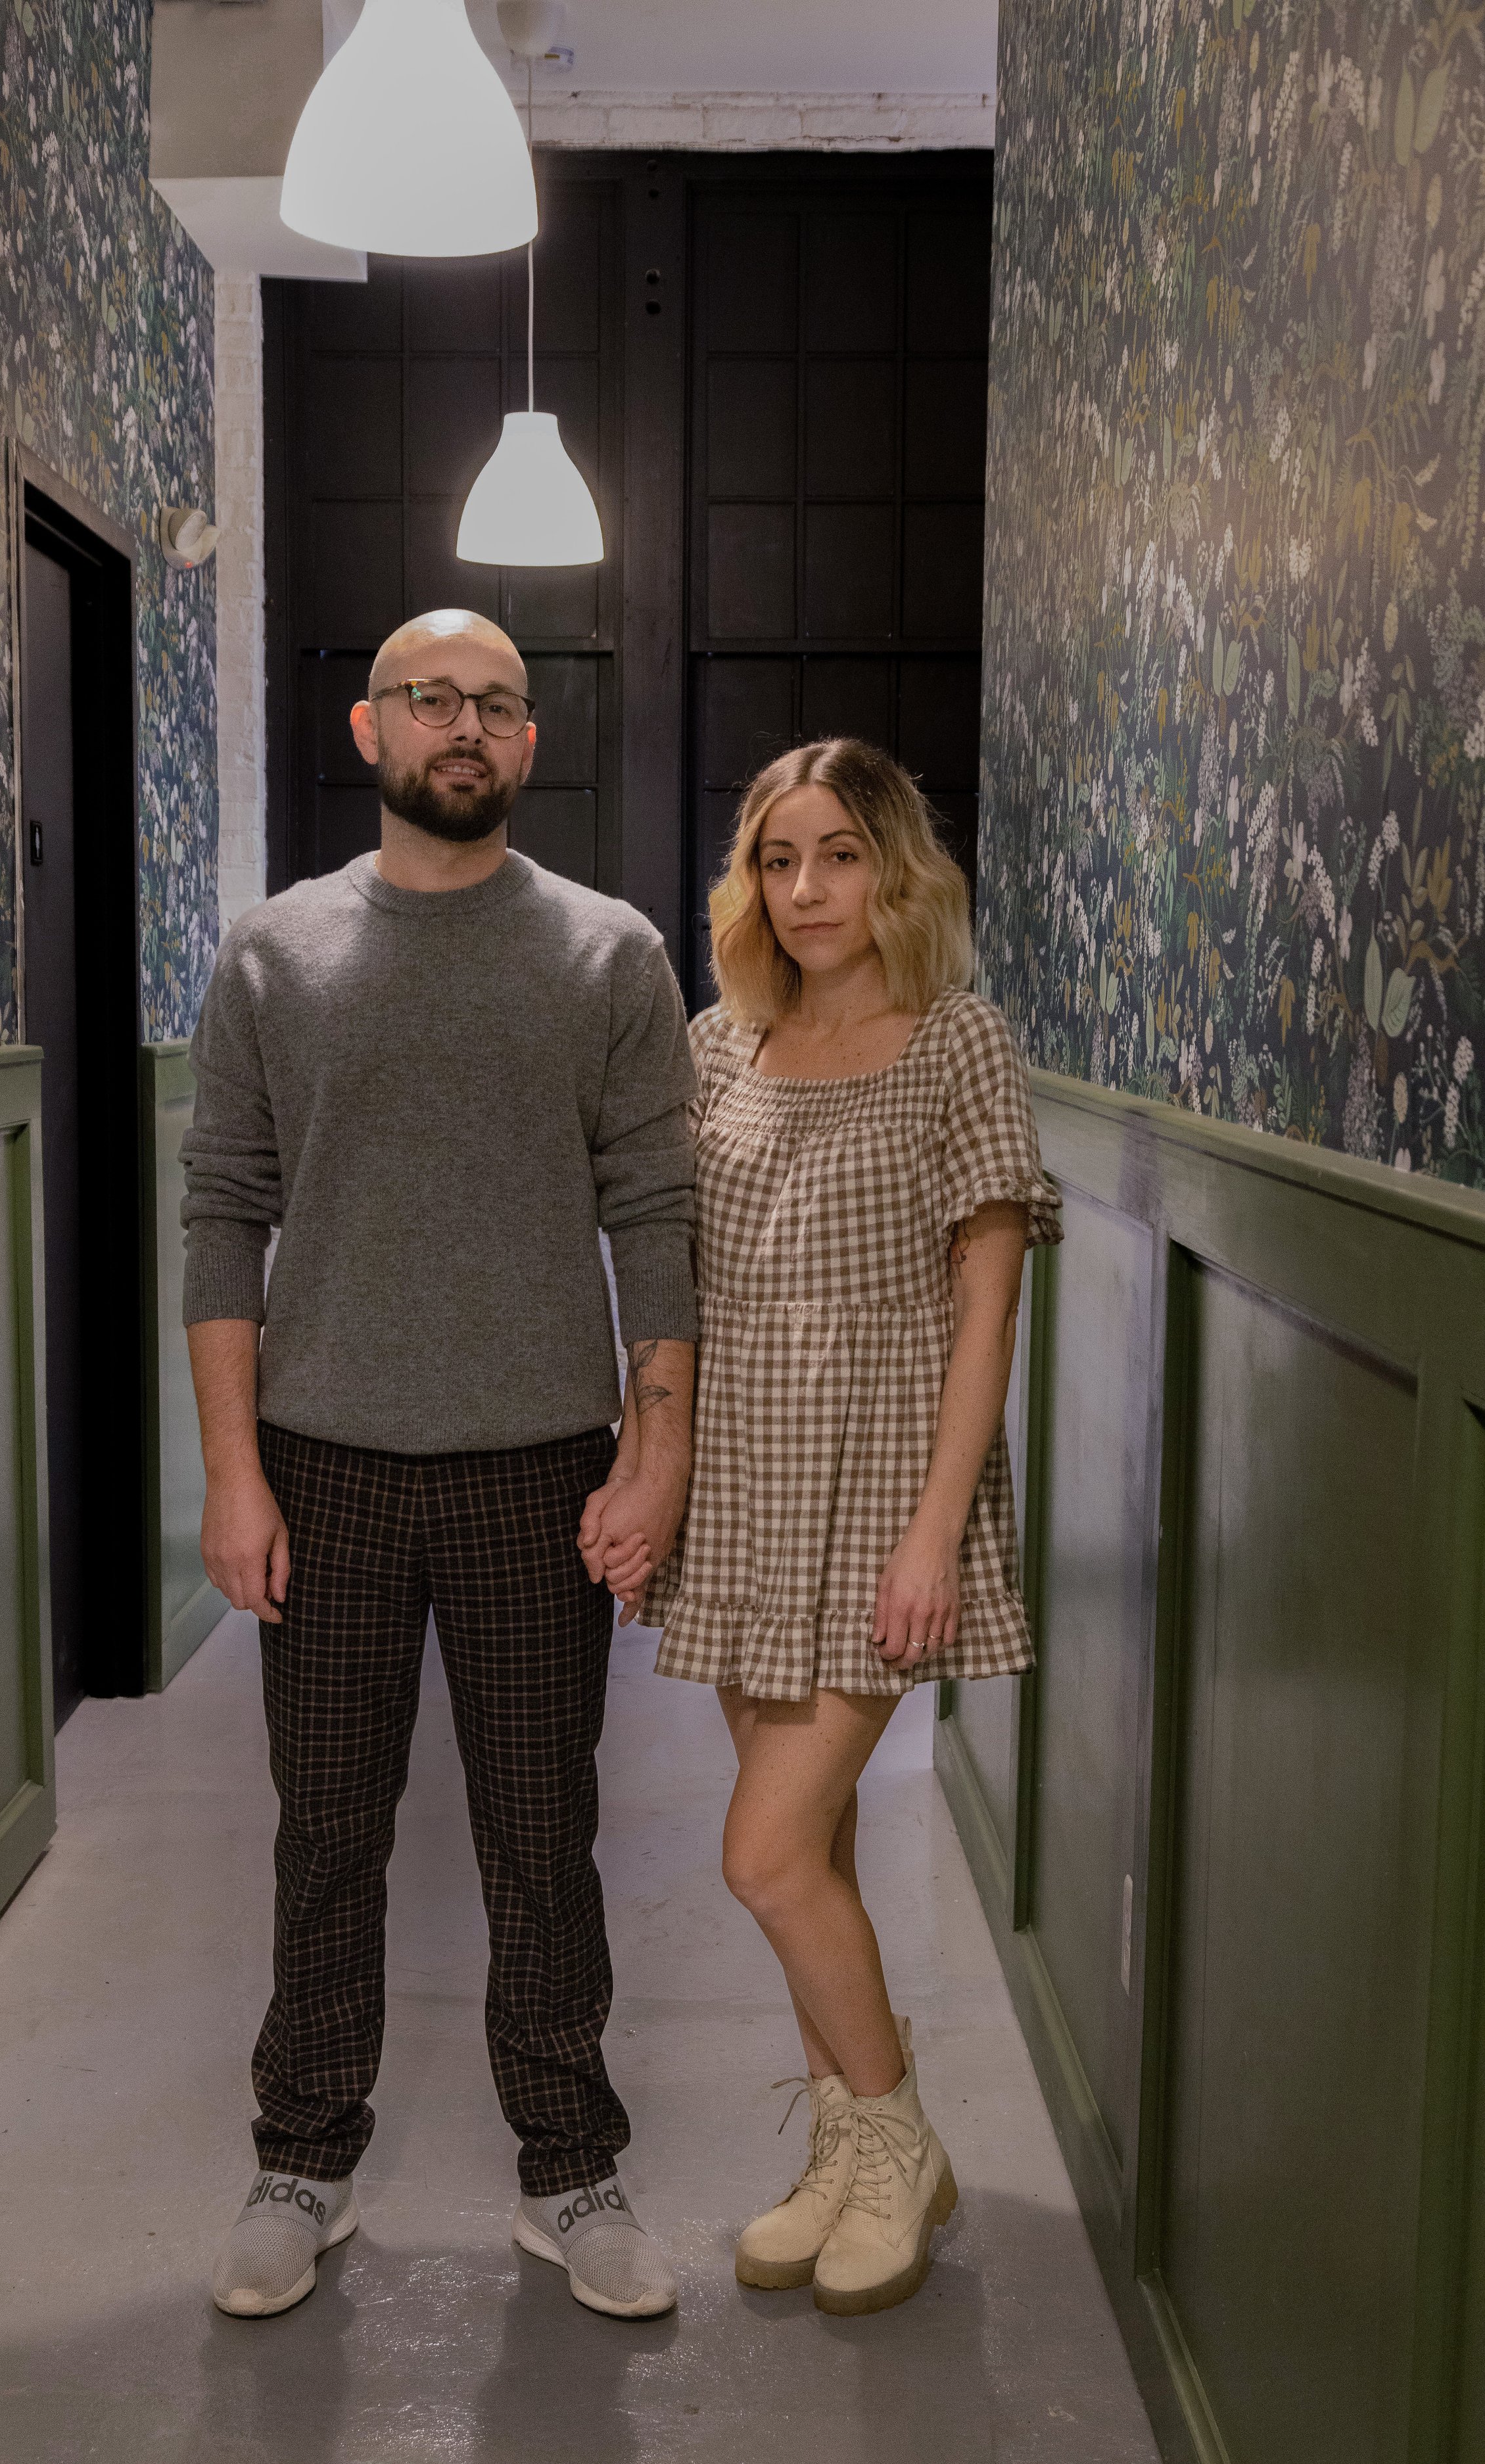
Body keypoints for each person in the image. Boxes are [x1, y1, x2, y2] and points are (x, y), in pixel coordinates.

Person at [181, 608, 697, 2323]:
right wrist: (232, 1470)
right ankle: (301, 2155)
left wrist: (656, 1452)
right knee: (327, 1830)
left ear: (527, 741)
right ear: (371, 726)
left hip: (539, 1470)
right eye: (430, 698)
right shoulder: (274, 952)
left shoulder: (610, 954)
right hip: (320, 1467)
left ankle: (569, 2165)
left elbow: (655, 1210)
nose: (461, 725)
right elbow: (223, 1211)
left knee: (543, 1834)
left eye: (493, 703)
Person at [583, 738, 1062, 2318]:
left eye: (838, 854)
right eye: (777, 859)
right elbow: (674, 1285)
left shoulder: (958, 1041)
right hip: (744, 1484)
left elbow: (986, 1309)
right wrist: (649, 1463)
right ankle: (842, 2160)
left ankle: (898, 2142)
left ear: (895, 870)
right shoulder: (717, 1045)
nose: (804, 889)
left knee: (763, 1850)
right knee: (824, 1850)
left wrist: (933, 1532)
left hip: (878, 1488)